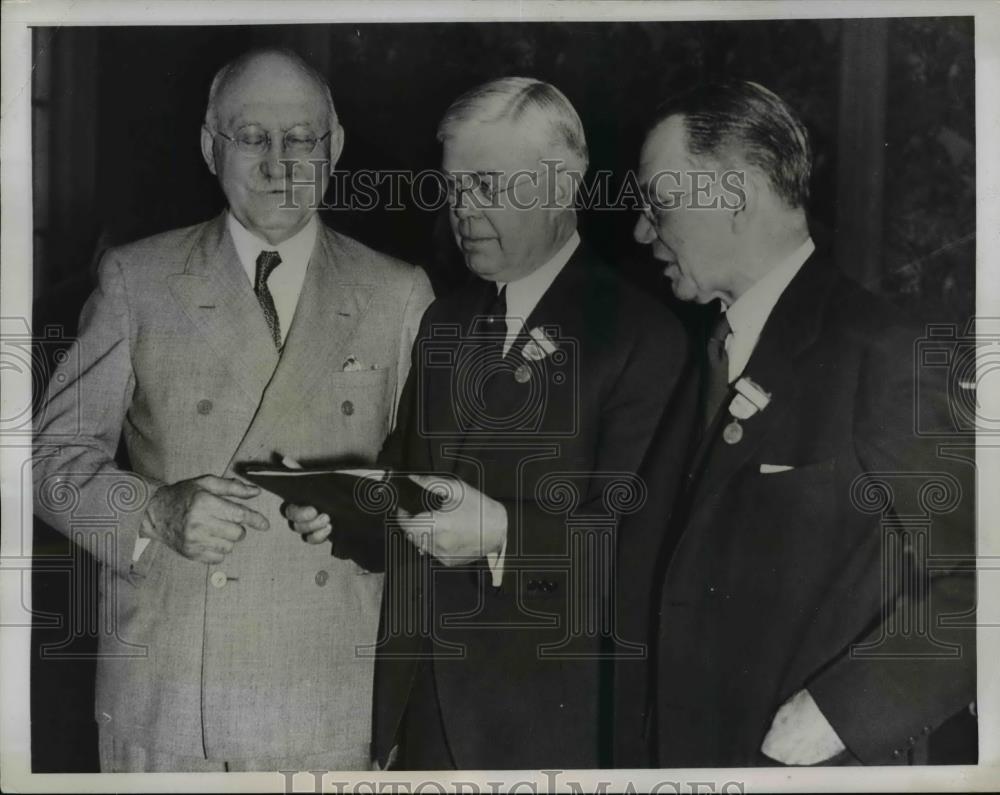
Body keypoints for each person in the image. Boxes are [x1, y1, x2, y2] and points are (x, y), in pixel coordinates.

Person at [32, 47, 433, 772]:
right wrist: (151, 512)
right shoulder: (136, 279)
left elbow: (440, 487)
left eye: (301, 138)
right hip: (174, 703)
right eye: (252, 137)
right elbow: (45, 464)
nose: (279, 161)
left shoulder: (399, 294)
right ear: (210, 147)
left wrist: (370, 506)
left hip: (331, 701)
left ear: (334, 146)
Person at [289, 76, 688, 769]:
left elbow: (641, 552)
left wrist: (503, 531)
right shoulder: (447, 320)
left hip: (544, 731)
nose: (461, 209)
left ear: (562, 185)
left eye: (487, 184)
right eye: (453, 186)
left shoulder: (641, 336)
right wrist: (346, 511)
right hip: (420, 717)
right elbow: (408, 480)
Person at [614, 80, 975, 767]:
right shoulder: (705, 359)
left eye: (658, 203)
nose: (640, 230)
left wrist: (847, 709)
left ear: (738, 195)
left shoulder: (879, 351)